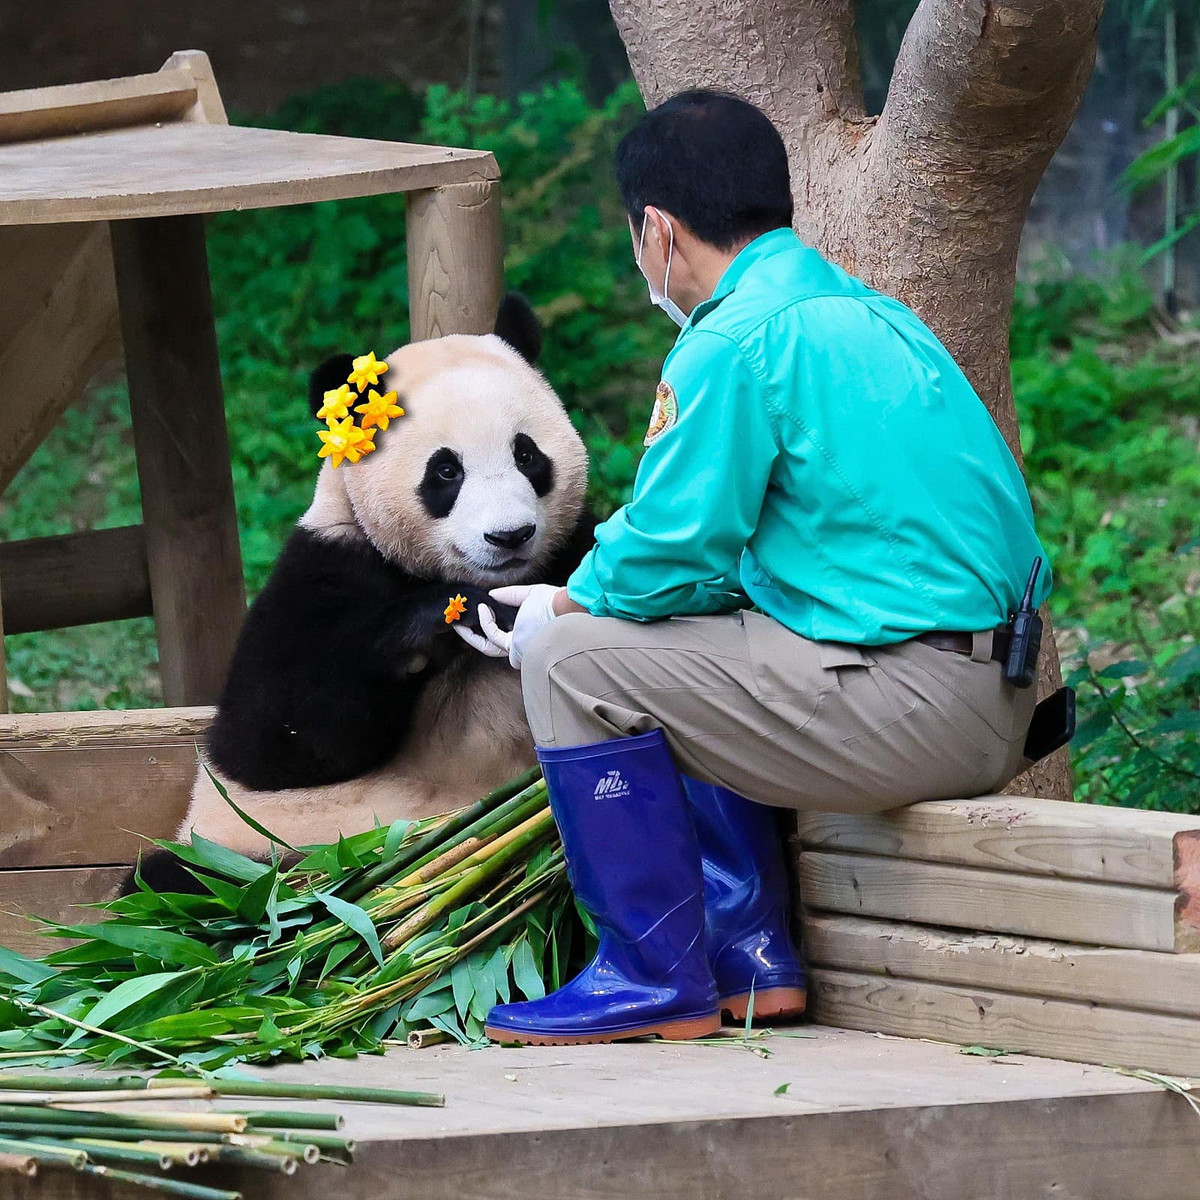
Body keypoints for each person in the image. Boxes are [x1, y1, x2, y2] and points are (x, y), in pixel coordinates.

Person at [455, 90, 1051, 1047]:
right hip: (986, 693)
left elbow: (666, 547)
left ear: (658, 231)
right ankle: (749, 955)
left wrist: (564, 602)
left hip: (913, 707)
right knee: (673, 641)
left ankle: (649, 974)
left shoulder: (735, 340)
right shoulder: (870, 314)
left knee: (573, 659)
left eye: (633, 240)